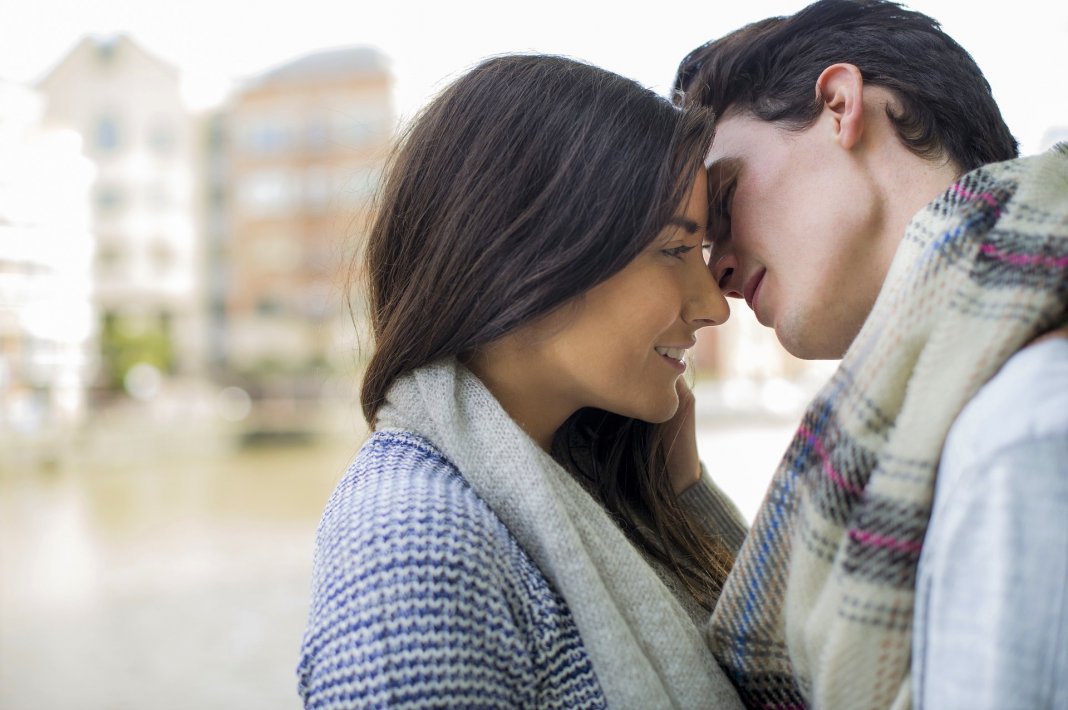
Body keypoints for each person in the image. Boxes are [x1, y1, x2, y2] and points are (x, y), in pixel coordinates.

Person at [297, 54, 749, 708]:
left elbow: (777, 678)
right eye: (676, 251)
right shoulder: (414, 548)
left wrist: (683, 492)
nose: (713, 304)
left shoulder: (584, 488)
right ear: (529, 252)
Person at [673, 0, 1068, 708]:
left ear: (838, 105)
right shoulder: (936, 422)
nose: (717, 276)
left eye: (726, 203)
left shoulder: (1025, 426)